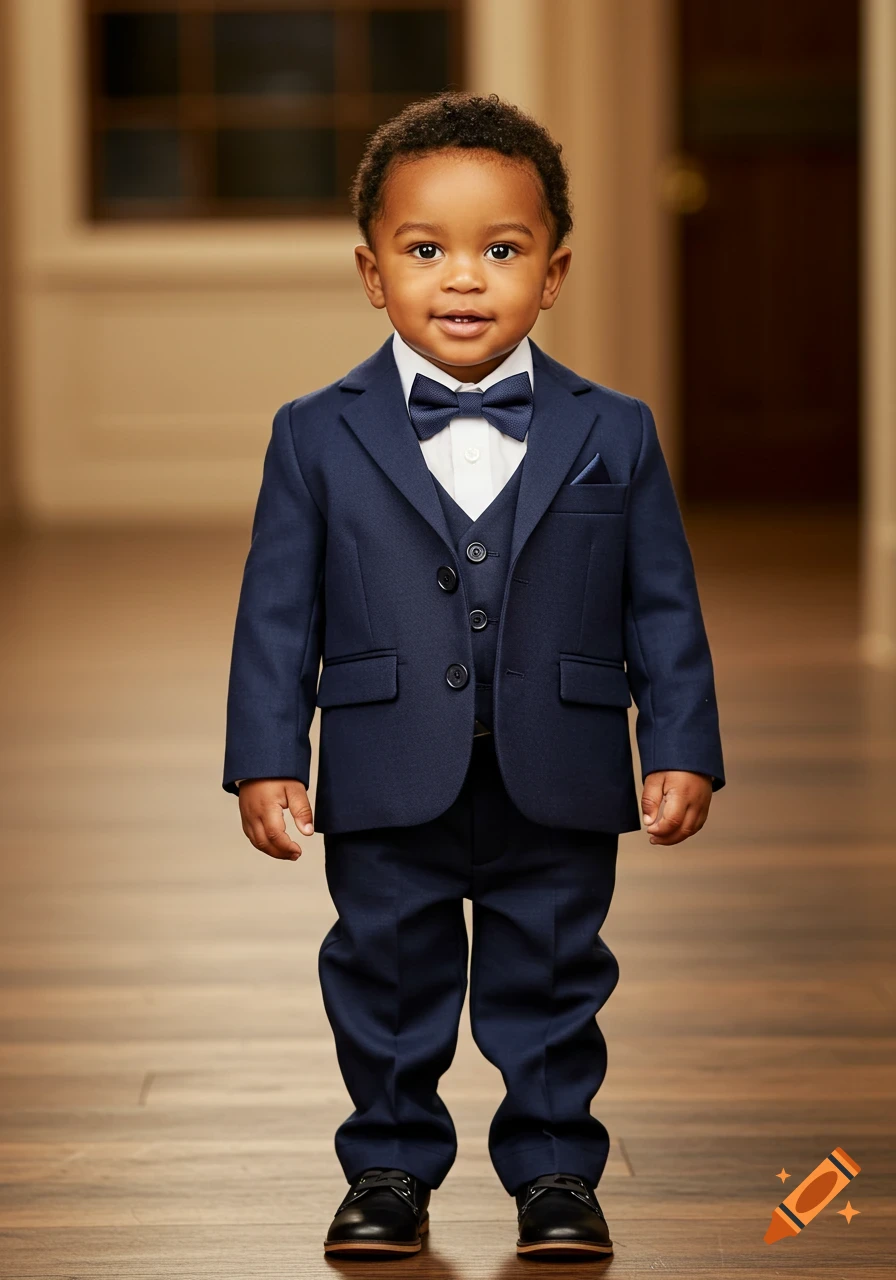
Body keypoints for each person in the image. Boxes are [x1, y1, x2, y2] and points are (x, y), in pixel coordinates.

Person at [223, 91, 725, 1260]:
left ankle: (555, 1170)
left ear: (551, 274)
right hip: (384, 763)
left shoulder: (616, 429)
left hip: (559, 765)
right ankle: (388, 1164)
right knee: (385, 977)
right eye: (425, 250)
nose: (462, 278)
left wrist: (683, 741)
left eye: (499, 251)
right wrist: (263, 757)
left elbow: (660, 602)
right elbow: (275, 607)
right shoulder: (314, 432)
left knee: (552, 979)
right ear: (369, 271)